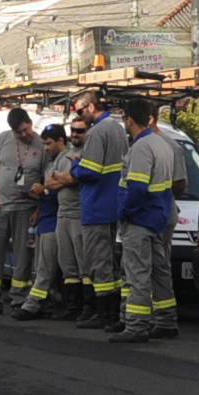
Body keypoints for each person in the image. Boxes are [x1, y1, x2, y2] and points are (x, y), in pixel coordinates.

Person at [112, 100, 183, 344]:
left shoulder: (141, 148)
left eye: (124, 117)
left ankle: (136, 326)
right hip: (158, 218)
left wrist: (124, 212)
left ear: (129, 119)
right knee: (160, 272)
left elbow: (136, 189)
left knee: (137, 274)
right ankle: (166, 321)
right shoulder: (161, 144)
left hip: (139, 220)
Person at [65, 89, 129, 328]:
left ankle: (105, 312)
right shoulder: (117, 129)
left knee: (96, 262)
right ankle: (113, 312)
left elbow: (90, 171)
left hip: (97, 205)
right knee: (110, 263)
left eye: (80, 111)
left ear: (91, 107)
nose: (79, 116)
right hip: (113, 204)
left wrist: (75, 166)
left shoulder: (97, 132)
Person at [0, 106, 42, 316]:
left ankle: (19, 299)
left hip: (25, 209)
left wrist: (38, 208)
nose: (24, 135)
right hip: (0, 208)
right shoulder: (2, 139)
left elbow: (46, 179)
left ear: (30, 122)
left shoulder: (42, 144)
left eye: (25, 130)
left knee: (22, 256)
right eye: (19, 132)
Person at [21, 122, 69, 320]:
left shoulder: (66, 161)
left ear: (60, 141)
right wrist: (36, 201)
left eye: (49, 144)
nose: (46, 148)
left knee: (46, 268)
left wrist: (45, 190)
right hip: (45, 219)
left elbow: (63, 189)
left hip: (56, 222)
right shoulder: (52, 162)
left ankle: (30, 305)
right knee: (41, 266)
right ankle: (45, 306)